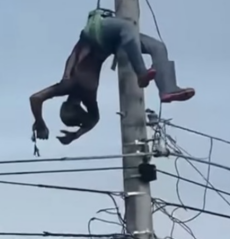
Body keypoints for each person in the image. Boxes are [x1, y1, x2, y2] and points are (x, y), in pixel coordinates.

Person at [30, 8, 195, 146]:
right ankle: (167, 90)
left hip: (97, 33)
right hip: (113, 45)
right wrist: (76, 135)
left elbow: (36, 98)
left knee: (127, 28)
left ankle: (143, 74)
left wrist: (40, 122)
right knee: (157, 47)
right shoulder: (89, 97)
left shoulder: (68, 84)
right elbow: (93, 121)